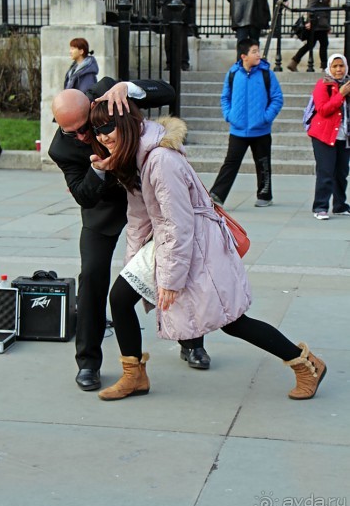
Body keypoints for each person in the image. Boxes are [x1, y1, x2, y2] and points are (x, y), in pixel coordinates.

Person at [88, 101, 327, 402]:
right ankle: (134, 375)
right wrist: (134, 263)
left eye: (107, 127)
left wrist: (171, 279)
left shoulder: (160, 160)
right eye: (97, 130)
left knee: (231, 320)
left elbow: (179, 222)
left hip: (198, 244)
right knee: (121, 297)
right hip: (169, 240)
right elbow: (138, 218)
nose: (103, 136)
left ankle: (306, 364)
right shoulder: (135, 157)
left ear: (126, 123)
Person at [49, 78, 210, 393]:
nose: (82, 136)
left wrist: (130, 87)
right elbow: (84, 195)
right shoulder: (62, 146)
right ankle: (88, 363)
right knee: (93, 276)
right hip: (105, 207)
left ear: (92, 106)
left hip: (148, 195)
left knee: (174, 264)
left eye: (85, 127)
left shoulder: (112, 96)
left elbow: (167, 92)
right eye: (73, 132)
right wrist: (98, 169)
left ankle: (192, 341)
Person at [208, 38, 283, 208]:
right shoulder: (233, 73)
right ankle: (217, 194)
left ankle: (265, 195)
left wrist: (265, 118)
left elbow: (277, 99)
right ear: (244, 56)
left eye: (258, 51)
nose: (259, 54)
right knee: (231, 162)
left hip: (261, 129)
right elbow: (225, 97)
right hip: (238, 129)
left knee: (263, 163)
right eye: (254, 51)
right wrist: (229, 115)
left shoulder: (266, 73)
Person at [308, 53, 350, 220]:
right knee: (326, 171)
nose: (339, 69)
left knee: (341, 172)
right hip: (324, 135)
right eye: (335, 66)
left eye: (341, 66)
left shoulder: (348, 84)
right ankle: (320, 206)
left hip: (344, 136)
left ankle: (340, 205)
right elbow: (323, 109)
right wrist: (340, 94)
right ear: (329, 68)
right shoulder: (323, 85)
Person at [287, 0, 332, 73]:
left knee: (311, 44)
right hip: (317, 23)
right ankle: (324, 67)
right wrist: (309, 21)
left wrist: (328, 26)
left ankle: (294, 61)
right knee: (323, 44)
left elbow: (326, 11)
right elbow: (311, 6)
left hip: (321, 24)